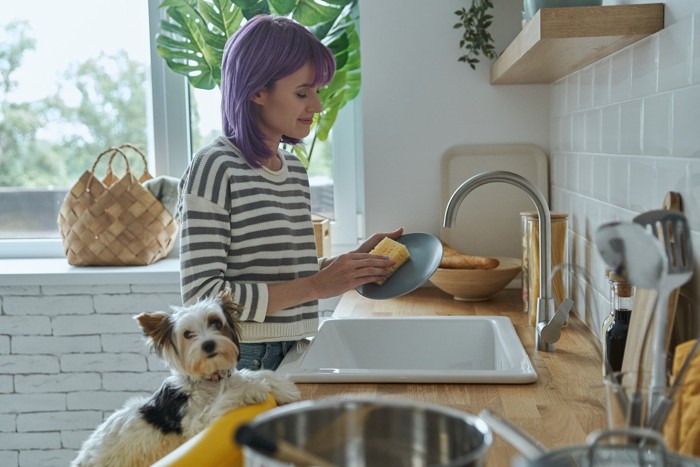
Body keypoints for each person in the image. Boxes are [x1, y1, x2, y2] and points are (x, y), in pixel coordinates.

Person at [177, 15, 403, 371]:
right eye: (302, 93)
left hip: (293, 347)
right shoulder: (214, 166)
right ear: (257, 91)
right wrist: (317, 285)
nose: (317, 106)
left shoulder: (293, 170)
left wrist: (346, 267)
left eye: (317, 92)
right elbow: (202, 297)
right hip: (240, 359)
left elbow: (279, 276)